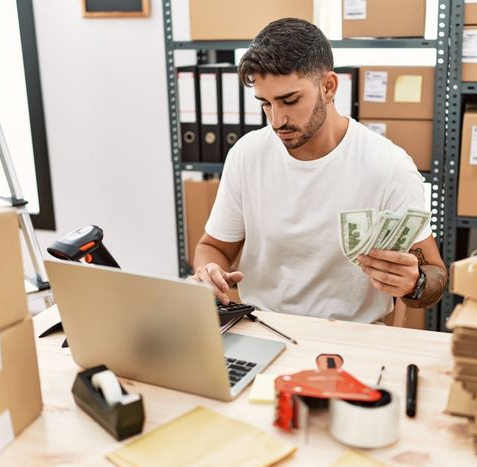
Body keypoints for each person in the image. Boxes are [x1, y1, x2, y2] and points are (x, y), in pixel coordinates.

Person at [190, 18, 447, 323]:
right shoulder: (246, 155)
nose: (276, 120)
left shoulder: (388, 166)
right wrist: (209, 271)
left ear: (328, 86)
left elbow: (435, 275)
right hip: (262, 325)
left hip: (349, 338)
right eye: (266, 104)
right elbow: (213, 246)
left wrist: (414, 283)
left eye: (290, 100)